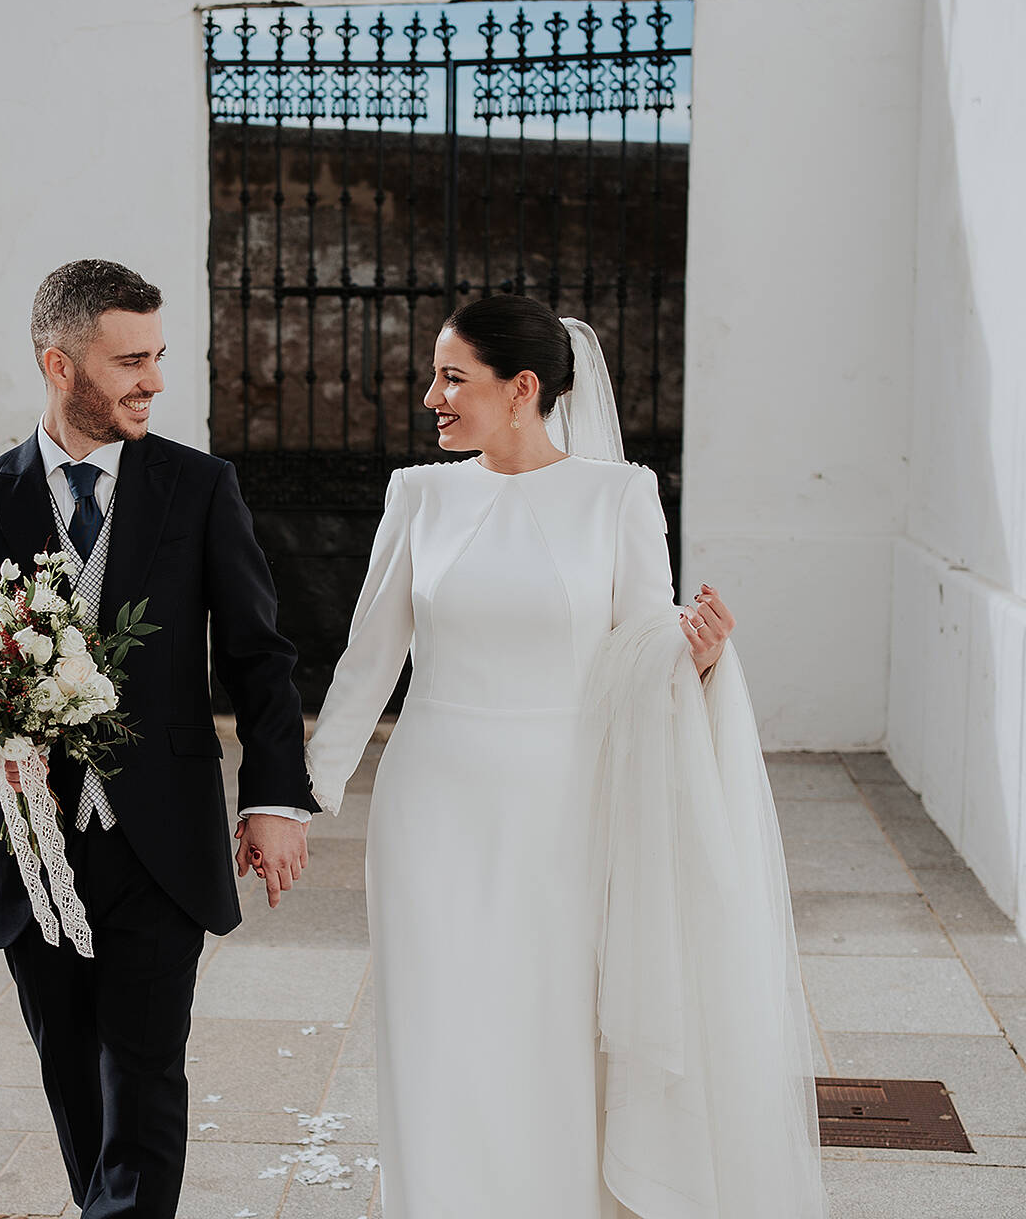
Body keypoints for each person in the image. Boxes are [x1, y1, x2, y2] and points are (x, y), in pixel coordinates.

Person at [304, 294, 827, 1218]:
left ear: (524, 388)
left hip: (567, 809)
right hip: (431, 809)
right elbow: (367, 660)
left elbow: (644, 649)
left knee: (550, 1030)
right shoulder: (416, 495)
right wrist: (297, 797)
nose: (432, 395)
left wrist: (696, 655)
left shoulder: (618, 495)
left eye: (453, 377)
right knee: (437, 1027)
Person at [0, 259, 316, 1219]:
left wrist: (273, 799)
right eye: (129, 359)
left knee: (143, 1081)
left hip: (161, 843)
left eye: (158, 356)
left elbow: (261, 658)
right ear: (58, 363)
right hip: (33, 850)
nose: (153, 381)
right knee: (72, 1082)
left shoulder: (199, 487)